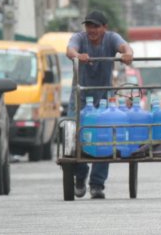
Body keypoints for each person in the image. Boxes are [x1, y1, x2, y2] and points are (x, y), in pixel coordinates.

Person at [67, 11, 134, 199]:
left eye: (96, 26)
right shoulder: (79, 38)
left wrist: (128, 54)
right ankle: (79, 176)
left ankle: (97, 184)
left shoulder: (111, 38)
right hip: (80, 97)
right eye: (89, 26)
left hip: (104, 98)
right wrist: (78, 56)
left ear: (104, 27)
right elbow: (69, 50)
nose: (92, 30)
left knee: (105, 138)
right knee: (75, 136)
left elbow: (125, 47)